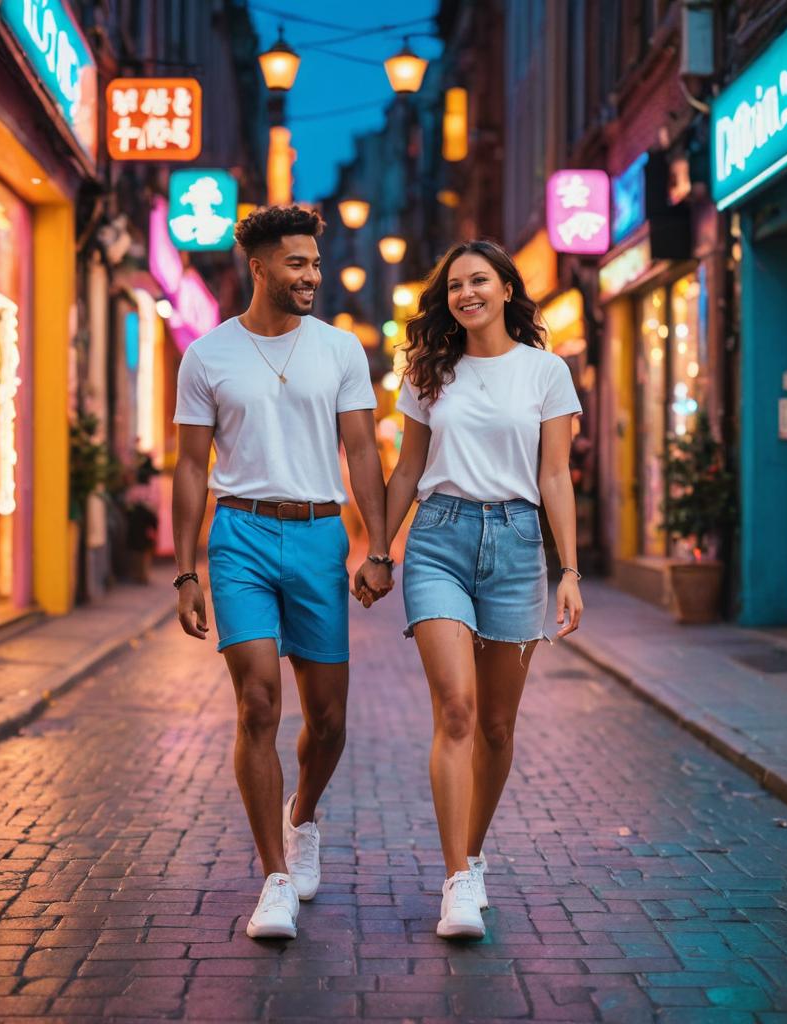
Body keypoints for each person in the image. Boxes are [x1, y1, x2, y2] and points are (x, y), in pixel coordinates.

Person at [172, 205, 394, 940]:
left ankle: (303, 817)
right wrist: (185, 570)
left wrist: (379, 547)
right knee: (258, 704)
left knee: (327, 720)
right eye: (297, 264)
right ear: (258, 266)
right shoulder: (207, 355)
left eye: (316, 264)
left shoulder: (340, 350)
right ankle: (273, 878)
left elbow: (363, 452)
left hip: (319, 535)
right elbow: (189, 464)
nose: (312, 277)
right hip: (238, 535)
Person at [379, 239, 583, 939]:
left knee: (498, 725)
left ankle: (474, 851)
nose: (467, 293)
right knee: (458, 709)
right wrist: (380, 546)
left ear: (504, 289)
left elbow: (555, 475)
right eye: (455, 284)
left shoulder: (546, 373)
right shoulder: (430, 372)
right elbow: (407, 470)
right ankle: (457, 882)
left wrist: (570, 573)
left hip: (520, 546)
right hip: (438, 538)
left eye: (479, 281)